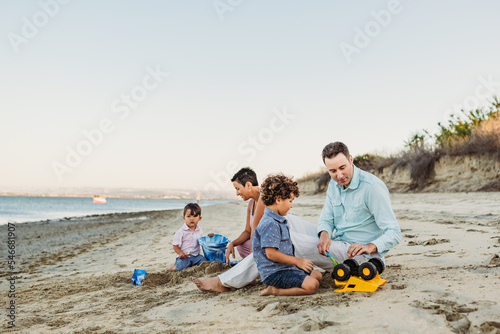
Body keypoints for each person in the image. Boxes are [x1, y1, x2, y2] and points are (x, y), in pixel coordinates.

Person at [192, 142, 401, 292]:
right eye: (332, 171)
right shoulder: (335, 185)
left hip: (359, 255)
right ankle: (263, 271)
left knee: (286, 239)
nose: (339, 175)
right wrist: (324, 234)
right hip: (335, 243)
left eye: (342, 168)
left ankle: (226, 281)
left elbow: (394, 232)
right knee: (282, 222)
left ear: (351, 160)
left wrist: (371, 246)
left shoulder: (372, 187)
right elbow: (326, 218)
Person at [253, 174, 322, 296]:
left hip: (287, 268)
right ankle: (275, 290)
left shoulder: (278, 219)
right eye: (290, 201)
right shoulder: (270, 223)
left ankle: (287, 283)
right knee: (312, 285)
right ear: (278, 200)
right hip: (275, 272)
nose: (291, 205)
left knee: (318, 276)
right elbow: (271, 253)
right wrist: (297, 261)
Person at [224, 167, 265, 263]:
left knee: (251, 248)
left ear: (248, 185)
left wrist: (251, 260)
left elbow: (255, 232)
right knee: (241, 246)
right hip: (261, 242)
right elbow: (248, 231)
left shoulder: (264, 198)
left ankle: (257, 263)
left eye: (238, 189)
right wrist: (232, 244)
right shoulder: (251, 203)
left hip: (274, 242)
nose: (237, 193)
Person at [169, 203, 207, 271]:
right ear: (184, 218)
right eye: (189, 216)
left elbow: (202, 241)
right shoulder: (180, 232)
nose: (192, 219)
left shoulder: (200, 230)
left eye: (195, 216)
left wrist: (209, 238)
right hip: (184, 256)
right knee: (181, 266)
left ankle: (193, 264)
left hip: (196, 256)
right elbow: (175, 246)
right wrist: (180, 253)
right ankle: (173, 268)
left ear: (199, 218)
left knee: (204, 262)